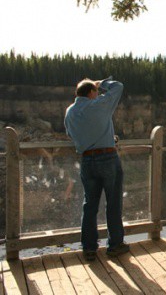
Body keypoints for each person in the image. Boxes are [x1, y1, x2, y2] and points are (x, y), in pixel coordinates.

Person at [64, 76, 129, 261]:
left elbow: (71, 134)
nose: (98, 94)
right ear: (92, 92)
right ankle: (115, 244)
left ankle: (89, 248)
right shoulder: (99, 104)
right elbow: (118, 86)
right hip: (108, 157)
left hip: (86, 160)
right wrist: (101, 83)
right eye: (96, 91)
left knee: (90, 205)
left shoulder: (70, 112)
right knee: (113, 202)